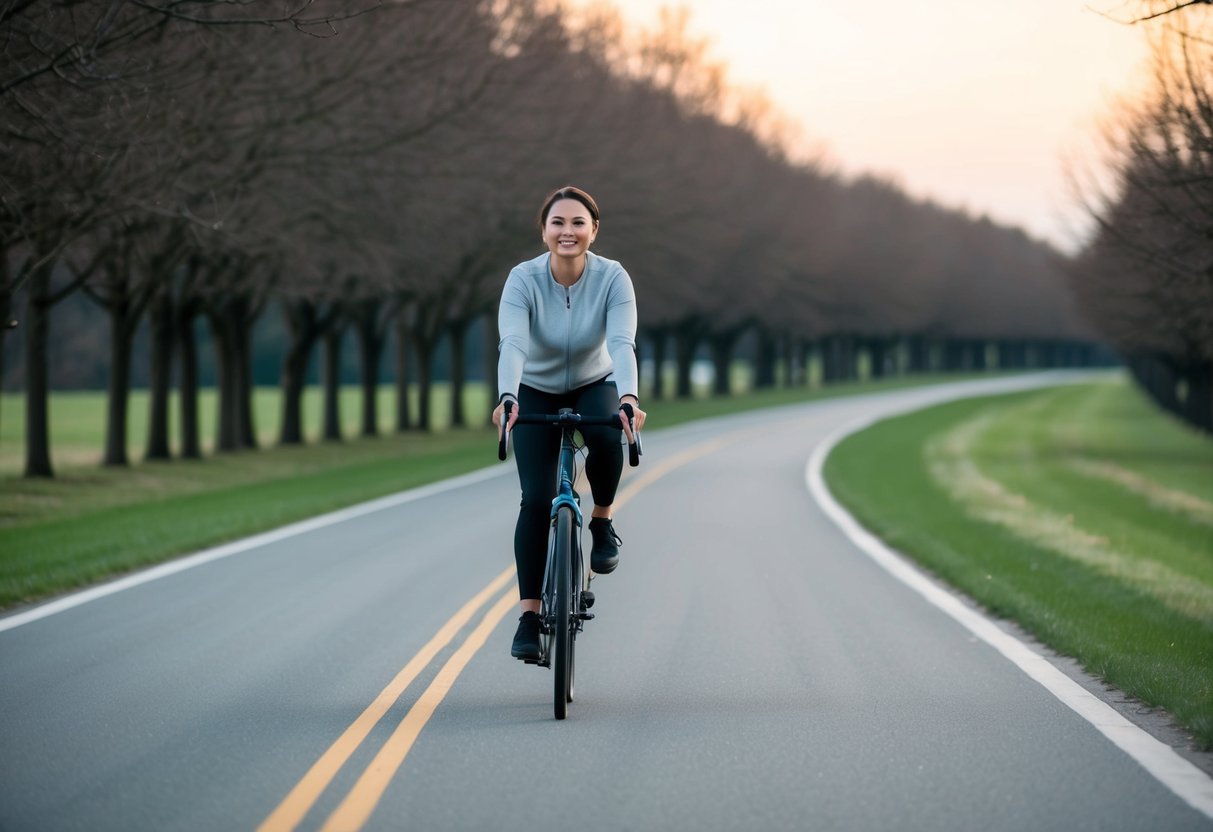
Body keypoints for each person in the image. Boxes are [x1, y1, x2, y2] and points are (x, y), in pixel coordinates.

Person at [493, 185, 647, 661]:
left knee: (606, 435)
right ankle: (528, 616)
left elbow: (622, 342)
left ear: (593, 230)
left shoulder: (613, 278)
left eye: (578, 223)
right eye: (557, 222)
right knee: (536, 500)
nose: (567, 231)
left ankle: (601, 521)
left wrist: (627, 396)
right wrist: (509, 396)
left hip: (592, 380)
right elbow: (513, 343)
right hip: (534, 386)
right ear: (543, 230)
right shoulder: (522, 280)